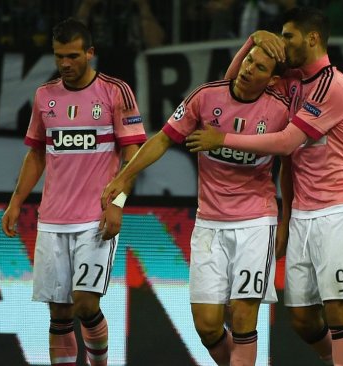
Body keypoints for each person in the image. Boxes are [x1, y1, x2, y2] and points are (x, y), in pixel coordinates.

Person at [186, 6, 343, 366]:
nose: (282, 45)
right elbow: (235, 85)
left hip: (338, 208)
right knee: (302, 318)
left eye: (288, 37)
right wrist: (252, 42)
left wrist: (221, 138)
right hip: (302, 210)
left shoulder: (334, 86)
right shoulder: (292, 82)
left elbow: (286, 143)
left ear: (312, 38)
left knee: (337, 308)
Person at [100, 45, 290, 366]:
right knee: (206, 325)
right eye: (248, 60)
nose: (247, 69)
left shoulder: (280, 110)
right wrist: (123, 177)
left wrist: (287, 222)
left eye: (259, 67)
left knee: (244, 317)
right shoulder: (205, 97)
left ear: (271, 79)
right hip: (210, 224)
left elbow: (292, 162)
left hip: (256, 222)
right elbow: (163, 138)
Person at [1, 18, 146, 366]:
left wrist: (119, 203)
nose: (65, 63)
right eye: (59, 56)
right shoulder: (44, 96)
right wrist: (15, 202)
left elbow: (133, 155)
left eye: (73, 55)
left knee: (85, 303)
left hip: (93, 219)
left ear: (90, 53)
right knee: (59, 313)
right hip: (51, 220)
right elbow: (37, 153)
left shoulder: (115, 91)